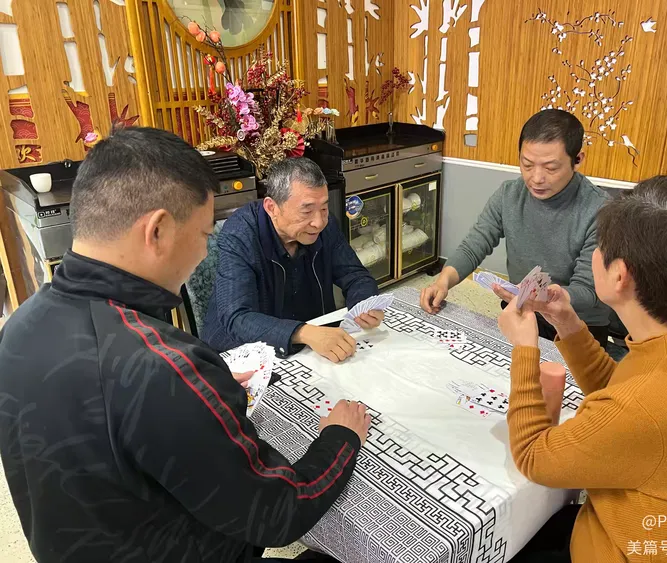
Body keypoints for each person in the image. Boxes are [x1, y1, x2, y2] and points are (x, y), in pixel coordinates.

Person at [0, 127, 371, 563]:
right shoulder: (162, 367)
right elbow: (280, 510)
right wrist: (341, 437)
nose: (202, 254)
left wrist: (199, 394)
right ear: (157, 230)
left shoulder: (20, 326)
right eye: (204, 235)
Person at [497, 175, 667, 562]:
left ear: (619, 275)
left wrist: (525, 347)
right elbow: (621, 394)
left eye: (599, 247)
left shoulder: (643, 404)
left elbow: (534, 457)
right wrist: (567, 322)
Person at [420, 109, 611, 347]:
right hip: (522, 308)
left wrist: (546, 297)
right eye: (527, 164)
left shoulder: (600, 210)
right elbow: (474, 245)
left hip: (577, 323)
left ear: (578, 160)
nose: (536, 178)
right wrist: (442, 282)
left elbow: (587, 290)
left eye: (551, 168)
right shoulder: (509, 194)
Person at [202, 157, 381, 363]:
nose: (319, 222)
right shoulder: (240, 233)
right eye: (306, 211)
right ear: (272, 207)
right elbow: (237, 317)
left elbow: (355, 275)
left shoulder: (325, 226)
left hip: (311, 343)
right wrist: (302, 332)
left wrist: (365, 302)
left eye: (324, 208)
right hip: (246, 353)